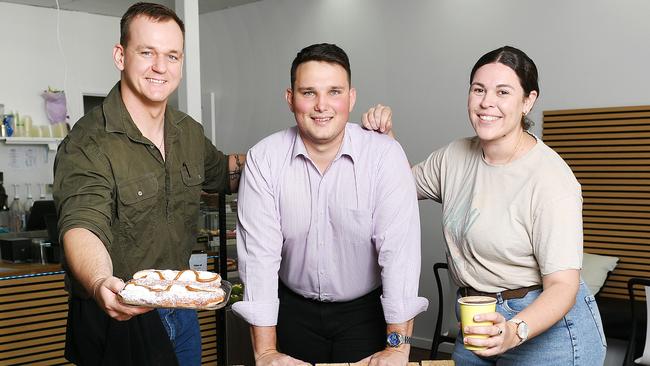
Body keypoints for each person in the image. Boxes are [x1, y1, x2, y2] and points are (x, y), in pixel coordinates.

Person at [363, 46, 607, 365]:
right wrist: (385, 141)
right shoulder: (454, 157)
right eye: (478, 89)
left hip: (546, 330)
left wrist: (514, 330)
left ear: (528, 100)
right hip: (476, 318)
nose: (486, 102)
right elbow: (394, 189)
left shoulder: (550, 179)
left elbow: (563, 286)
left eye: (502, 91)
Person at [52, 3, 245, 365]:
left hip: (179, 308)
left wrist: (313, 142)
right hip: (118, 314)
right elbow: (81, 224)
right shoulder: (87, 143)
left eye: (172, 55)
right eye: (147, 52)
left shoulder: (188, 133)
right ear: (120, 56)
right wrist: (98, 282)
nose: (161, 66)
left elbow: (227, 172)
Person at [232, 43, 428, 366]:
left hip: (365, 314)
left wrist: (399, 347)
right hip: (292, 311)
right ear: (290, 98)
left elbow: (400, 261)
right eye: (308, 92)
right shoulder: (263, 159)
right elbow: (258, 262)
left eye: (334, 91)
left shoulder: (385, 157)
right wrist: (265, 352)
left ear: (351, 98)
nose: (321, 105)